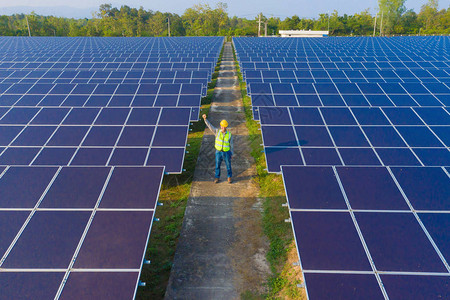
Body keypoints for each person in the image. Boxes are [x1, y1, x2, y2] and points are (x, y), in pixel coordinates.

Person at [202, 114, 233, 183]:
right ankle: (217, 177)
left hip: (226, 152)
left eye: (223, 126)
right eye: (221, 125)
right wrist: (205, 119)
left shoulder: (229, 134)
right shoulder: (217, 132)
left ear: (226, 126)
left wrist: (232, 153)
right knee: (217, 165)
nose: (222, 127)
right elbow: (210, 126)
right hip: (218, 152)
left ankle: (229, 177)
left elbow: (231, 145)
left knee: (228, 166)